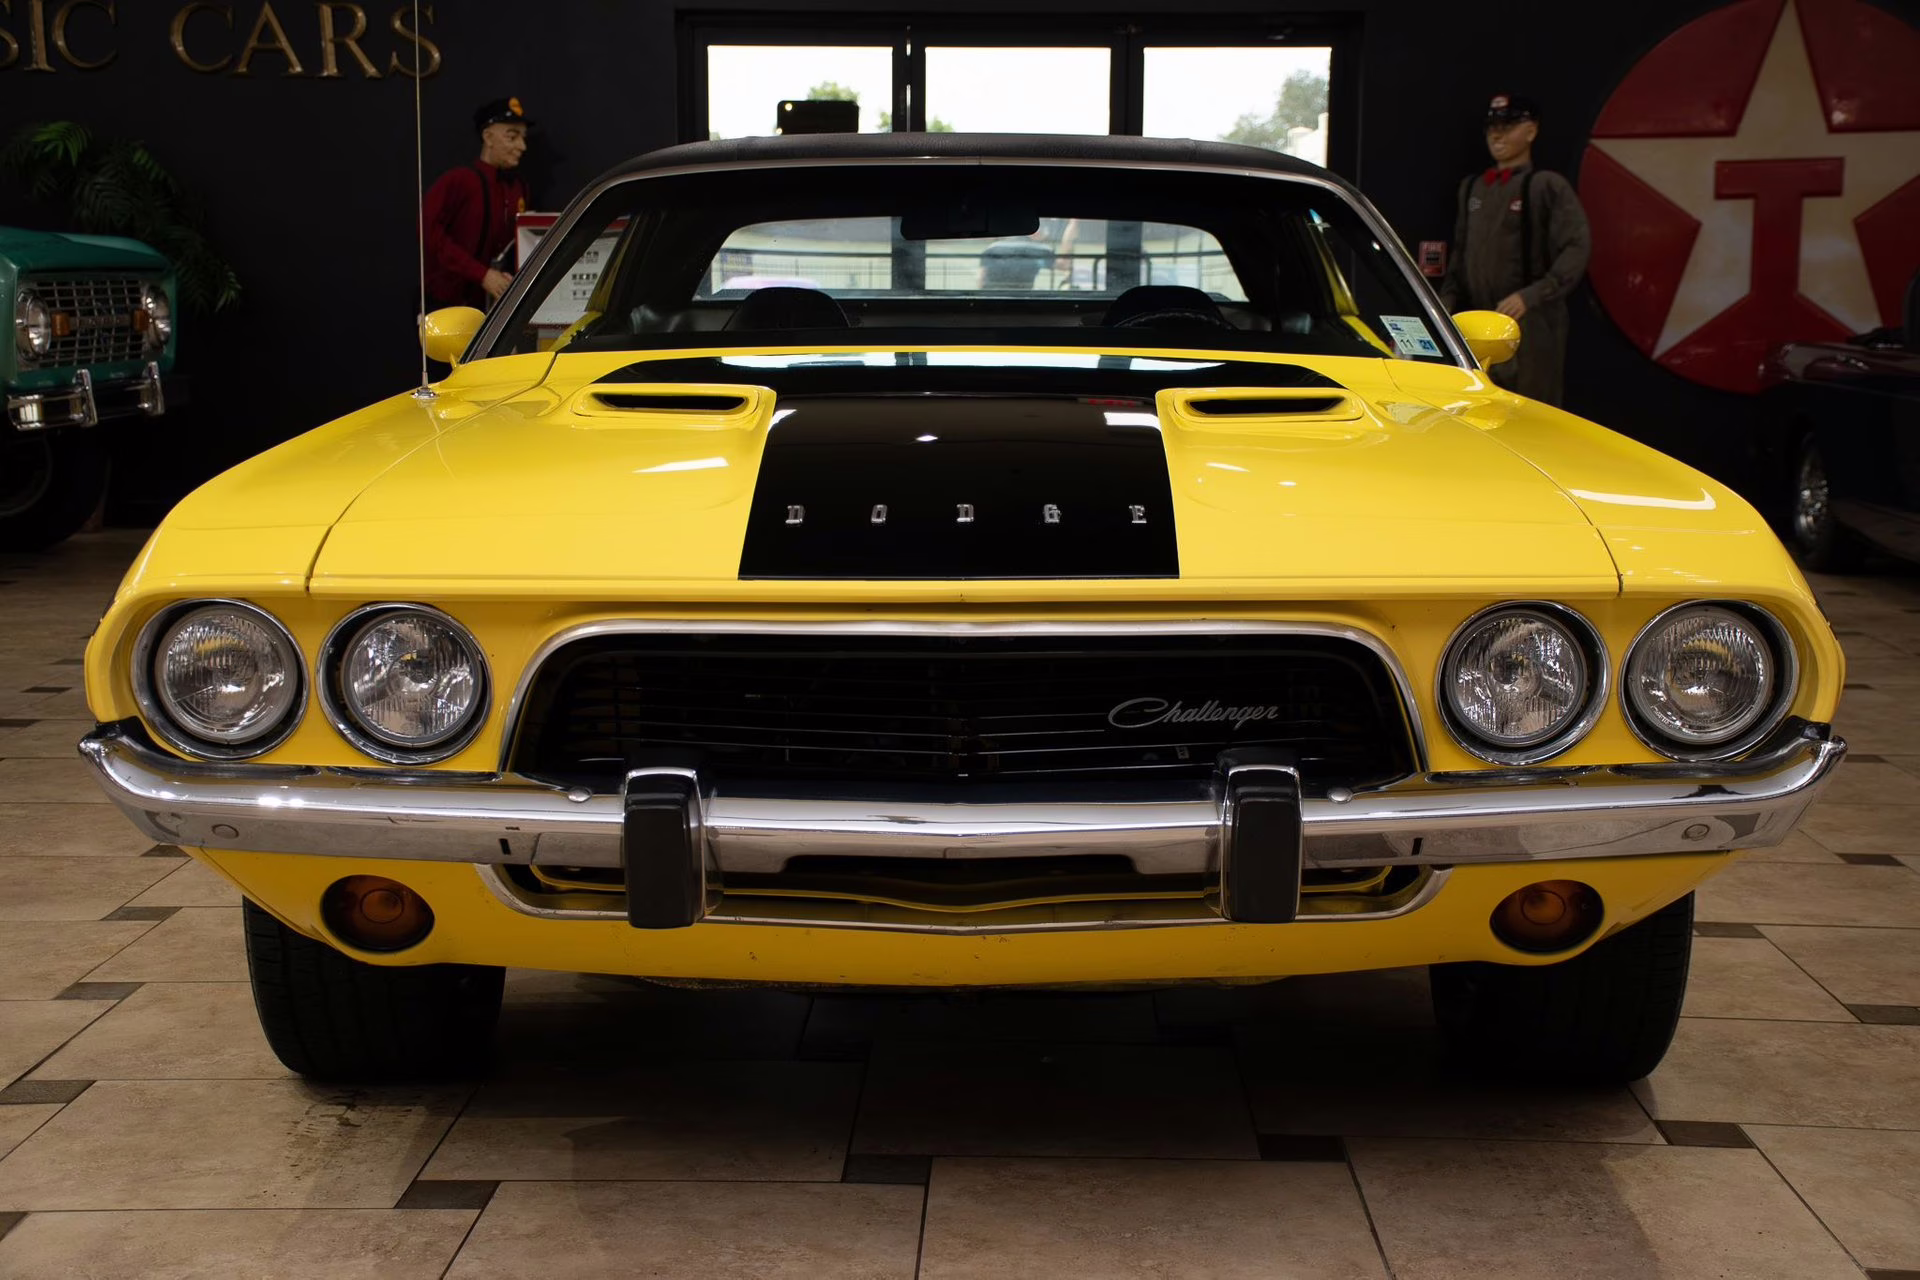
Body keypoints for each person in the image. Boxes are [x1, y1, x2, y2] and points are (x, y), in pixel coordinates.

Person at [1438, 94, 1590, 406]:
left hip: (1531, 326)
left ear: (1531, 131)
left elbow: (1577, 246)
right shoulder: (1473, 188)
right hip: (1478, 323)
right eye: (1492, 126)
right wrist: (1441, 311)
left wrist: (1531, 296)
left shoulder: (1546, 186)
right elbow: (1460, 256)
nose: (1497, 134)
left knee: (1531, 414)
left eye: (1507, 126)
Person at [423, 97, 533, 313]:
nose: (522, 146)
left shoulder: (518, 187)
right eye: (512, 137)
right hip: (448, 304)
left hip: (494, 307)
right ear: (488, 137)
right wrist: (481, 274)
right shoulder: (458, 181)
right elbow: (430, 234)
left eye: (523, 137)